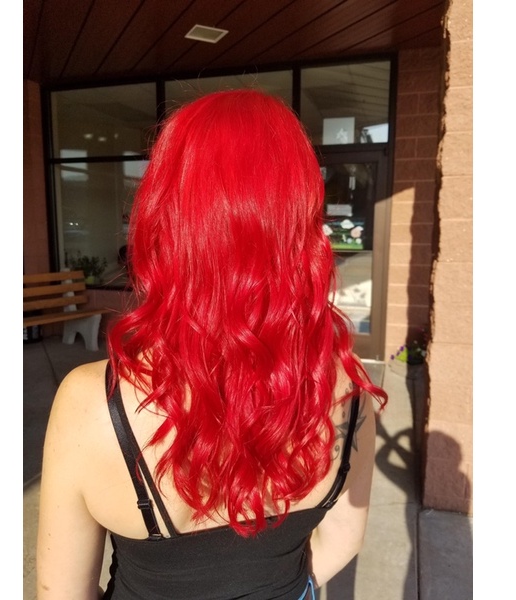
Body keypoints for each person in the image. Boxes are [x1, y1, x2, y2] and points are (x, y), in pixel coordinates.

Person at [36, 88, 388, 600]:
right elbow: (343, 539)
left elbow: (61, 591)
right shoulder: (345, 391)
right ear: (301, 222)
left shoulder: (92, 403)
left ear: (166, 217)